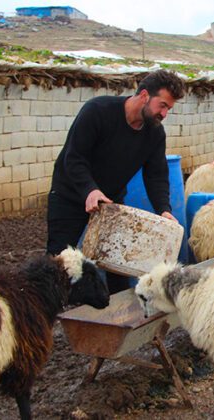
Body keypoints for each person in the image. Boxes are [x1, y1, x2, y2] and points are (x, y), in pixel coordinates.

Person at [46, 69, 186, 293]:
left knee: (119, 262)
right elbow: (74, 157)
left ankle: (116, 321)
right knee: (59, 261)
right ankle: (49, 318)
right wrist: (90, 190)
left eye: (168, 108)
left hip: (111, 202)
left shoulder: (155, 133)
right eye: (162, 105)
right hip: (70, 195)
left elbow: (157, 175)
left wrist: (164, 209)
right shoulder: (98, 112)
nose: (164, 114)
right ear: (143, 96)